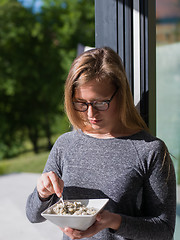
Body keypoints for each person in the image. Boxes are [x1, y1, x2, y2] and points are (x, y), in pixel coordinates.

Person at [26, 47, 176, 240]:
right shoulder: (65, 145)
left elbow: (164, 230)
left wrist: (114, 222)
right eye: (81, 103)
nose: (91, 114)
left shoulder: (150, 150)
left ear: (120, 95)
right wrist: (42, 193)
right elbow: (33, 215)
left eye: (100, 103)